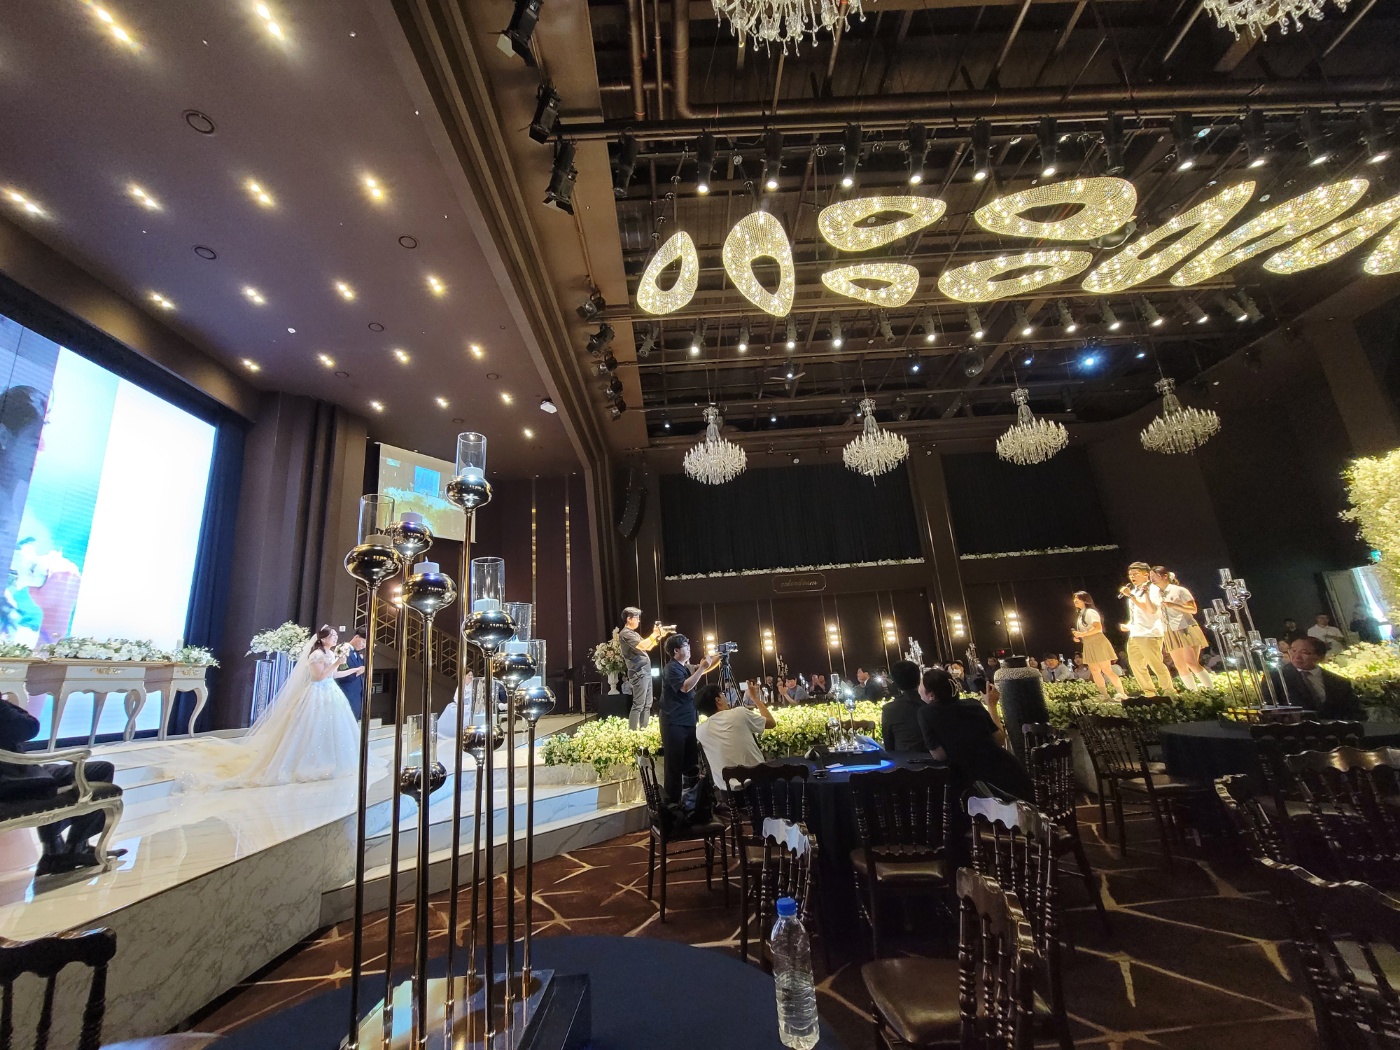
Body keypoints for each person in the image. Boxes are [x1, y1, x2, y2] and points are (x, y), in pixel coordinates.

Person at [164, 626, 370, 788]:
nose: (335, 638)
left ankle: (326, 760)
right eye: (332, 636)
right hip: (316, 694)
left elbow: (333, 675)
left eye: (335, 636)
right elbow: (318, 677)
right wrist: (337, 663)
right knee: (307, 729)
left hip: (331, 694)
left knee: (329, 730)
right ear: (323, 639)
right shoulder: (316, 655)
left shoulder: (331, 654)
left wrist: (352, 670)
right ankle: (301, 763)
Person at [0, 689, 125, 876]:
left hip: (19, 772)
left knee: (91, 772)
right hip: (16, 780)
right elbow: (30, 726)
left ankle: (55, 851)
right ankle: (74, 848)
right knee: (101, 770)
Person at [916, 667, 1034, 800]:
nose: (918, 687)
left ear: (931, 695)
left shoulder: (925, 713)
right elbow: (1000, 739)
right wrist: (991, 705)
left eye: (921, 685)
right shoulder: (974, 704)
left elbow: (939, 756)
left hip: (979, 787)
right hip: (1009, 772)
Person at [659, 634, 720, 803]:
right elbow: (685, 687)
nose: (689, 649)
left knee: (691, 765)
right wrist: (701, 668)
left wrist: (720, 654)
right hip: (674, 723)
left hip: (688, 721)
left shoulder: (685, 667)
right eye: (686, 646)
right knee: (674, 767)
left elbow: (705, 667)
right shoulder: (671, 668)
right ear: (676, 651)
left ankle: (691, 803)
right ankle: (673, 807)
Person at [696, 680, 776, 790]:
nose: (725, 696)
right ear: (718, 700)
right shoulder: (739, 713)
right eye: (722, 694)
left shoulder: (700, 731)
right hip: (757, 784)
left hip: (727, 792)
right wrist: (754, 698)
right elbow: (771, 723)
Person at [1120, 561, 1178, 698]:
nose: (1132, 577)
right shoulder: (1134, 591)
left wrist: (1131, 596)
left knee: (1155, 663)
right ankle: (1149, 693)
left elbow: (1151, 610)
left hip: (1150, 633)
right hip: (1135, 633)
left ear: (1146, 574)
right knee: (1135, 664)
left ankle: (1169, 691)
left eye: (1135, 574)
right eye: (1130, 574)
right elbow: (1137, 613)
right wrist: (1129, 625)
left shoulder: (1153, 589)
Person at [1273, 636, 1365, 720]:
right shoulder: (1277, 678)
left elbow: (1354, 711)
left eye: (1304, 652)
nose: (1296, 656)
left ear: (1319, 657)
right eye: (1293, 650)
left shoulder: (1339, 682)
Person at [1151, 566, 1213, 690]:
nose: (1151, 579)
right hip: (1169, 630)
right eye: (1150, 576)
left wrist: (1174, 605)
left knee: (1191, 662)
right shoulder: (1156, 594)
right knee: (1180, 665)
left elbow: (1193, 609)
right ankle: (1192, 692)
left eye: (1154, 576)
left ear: (1165, 576)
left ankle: (1210, 690)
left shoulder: (1179, 590)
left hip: (1185, 627)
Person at [619, 607, 669, 730]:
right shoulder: (625, 633)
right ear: (629, 619)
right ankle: (633, 731)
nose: (639, 621)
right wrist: (655, 634)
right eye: (637, 618)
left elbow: (648, 646)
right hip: (638, 672)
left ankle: (643, 729)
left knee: (647, 703)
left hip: (645, 671)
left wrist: (658, 636)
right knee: (639, 704)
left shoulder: (634, 633)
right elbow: (642, 645)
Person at [1071, 591, 1127, 701]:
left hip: (1097, 642)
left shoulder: (1090, 612)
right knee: (1095, 671)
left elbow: (1098, 627)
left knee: (1107, 669)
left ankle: (1121, 693)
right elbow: (1084, 631)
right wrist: (1078, 637)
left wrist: (1082, 634)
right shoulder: (1080, 614)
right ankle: (1104, 694)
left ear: (1085, 600)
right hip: (1088, 644)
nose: (1075, 601)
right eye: (1074, 599)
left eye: (1078, 598)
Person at [880, 661, 926, 752]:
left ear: (896, 683)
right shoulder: (928, 703)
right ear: (919, 680)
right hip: (933, 758)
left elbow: (888, 744)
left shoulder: (889, 709)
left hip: (903, 758)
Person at [335, 629, 367, 720]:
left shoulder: (359, 654)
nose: (363, 646)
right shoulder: (342, 649)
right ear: (356, 637)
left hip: (356, 696)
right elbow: (339, 674)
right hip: (346, 693)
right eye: (363, 642)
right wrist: (356, 672)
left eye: (365, 644)